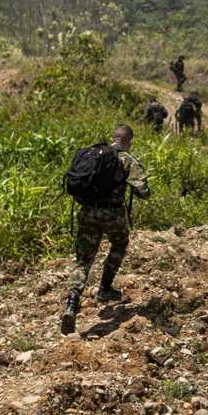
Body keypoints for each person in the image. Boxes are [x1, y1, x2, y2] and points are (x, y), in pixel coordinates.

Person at [60, 124, 151, 335]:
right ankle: (105, 288)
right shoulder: (127, 160)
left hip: (87, 213)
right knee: (120, 243)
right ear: (129, 141)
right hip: (112, 215)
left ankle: (72, 305)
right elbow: (143, 192)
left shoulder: (95, 154)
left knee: (83, 260)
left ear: (114, 138)